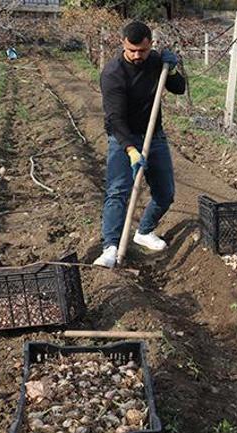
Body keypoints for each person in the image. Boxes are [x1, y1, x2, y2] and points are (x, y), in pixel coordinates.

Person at [94, 21, 185, 268]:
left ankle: (144, 231)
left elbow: (178, 89)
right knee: (118, 191)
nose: (137, 55)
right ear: (123, 44)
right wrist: (131, 150)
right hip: (122, 137)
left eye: (142, 51)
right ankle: (110, 247)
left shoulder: (157, 62)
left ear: (150, 44)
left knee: (165, 193)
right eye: (132, 50)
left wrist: (173, 70)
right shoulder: (113, 74)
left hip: (154, 136)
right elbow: (115, 119)